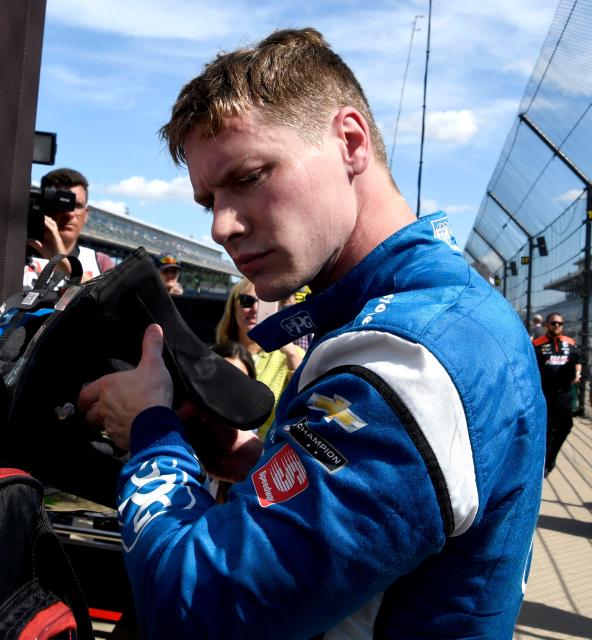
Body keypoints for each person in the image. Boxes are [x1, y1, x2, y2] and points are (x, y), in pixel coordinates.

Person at [76, 28, 544, 638]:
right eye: (207, 198)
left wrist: (151, 432)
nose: (220, 225)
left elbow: (195, 611)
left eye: (248, 176)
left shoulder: (410, 359)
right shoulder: (428, 311)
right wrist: (253, 461)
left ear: (350, 142)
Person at [215, 278, 303, 435]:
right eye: (246, 301)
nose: (255, 308)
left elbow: (307, 401)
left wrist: (290, 354)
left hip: (268, 453)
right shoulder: (214, 355)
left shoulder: (291, 355)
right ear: (233, 307)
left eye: (263, 302)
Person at [23, 168, 111, 289]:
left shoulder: (99, 262)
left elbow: (108, 300)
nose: (69, 214)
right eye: (63, 203)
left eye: (77, 205)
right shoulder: (12, 253)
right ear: (44, 204)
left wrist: (64, 262)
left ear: (86, 214)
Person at [533, 312, 582, 476]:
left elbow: (579, 359)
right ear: (547, 325)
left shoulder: (570, 343)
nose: (557, 326)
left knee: (566, 426)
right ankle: (545, 463)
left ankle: (551, 456)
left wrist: (578, 372)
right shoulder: (538, 344)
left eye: (560, 324)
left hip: (565, 394)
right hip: (545, 395)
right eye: (553, 323)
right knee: (546, 429)